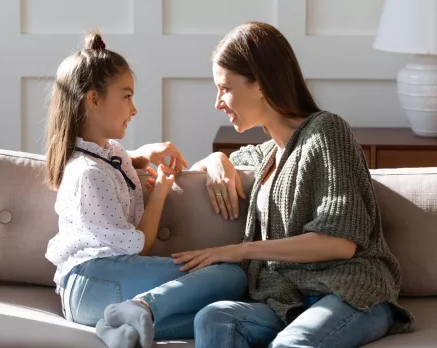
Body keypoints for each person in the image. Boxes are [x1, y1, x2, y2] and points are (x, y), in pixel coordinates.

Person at [173, 22, 415, 348]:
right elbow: (212, 162)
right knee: (214, 318)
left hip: (350, 293)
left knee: (290, 345)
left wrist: (239, 250)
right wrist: (216, 160)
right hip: (289, 300)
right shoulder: (269, 153)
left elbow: (339, 243)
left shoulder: (327, 132)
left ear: (260, 83)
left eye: (225, 88)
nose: (218, 102)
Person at [44, 32, 247, 348]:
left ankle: (117, 327)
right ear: (94, 100)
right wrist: (160, 193)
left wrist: (142, 155)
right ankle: (139, 308)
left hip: (94, 293)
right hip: (95, 279)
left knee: (217, 316)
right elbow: (139, 246)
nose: (134, 109)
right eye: (126, 96)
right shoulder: (88, 173)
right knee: (231, 277)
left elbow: (117, 162)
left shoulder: (102, 155)